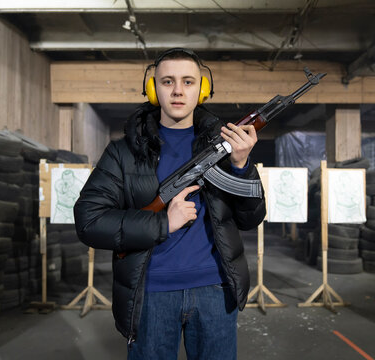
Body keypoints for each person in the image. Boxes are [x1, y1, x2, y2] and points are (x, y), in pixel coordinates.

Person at [73, 48, 266, 360]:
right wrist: (163, 223)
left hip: (215, 291)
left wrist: (241, 166)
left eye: (188, 82)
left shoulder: (225, 148)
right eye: (167, 81)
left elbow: (250, 218)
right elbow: (89, 221)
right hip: (151, 294)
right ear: (153, 89)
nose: (178, 90)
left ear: (202, 89)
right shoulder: (123, 153)